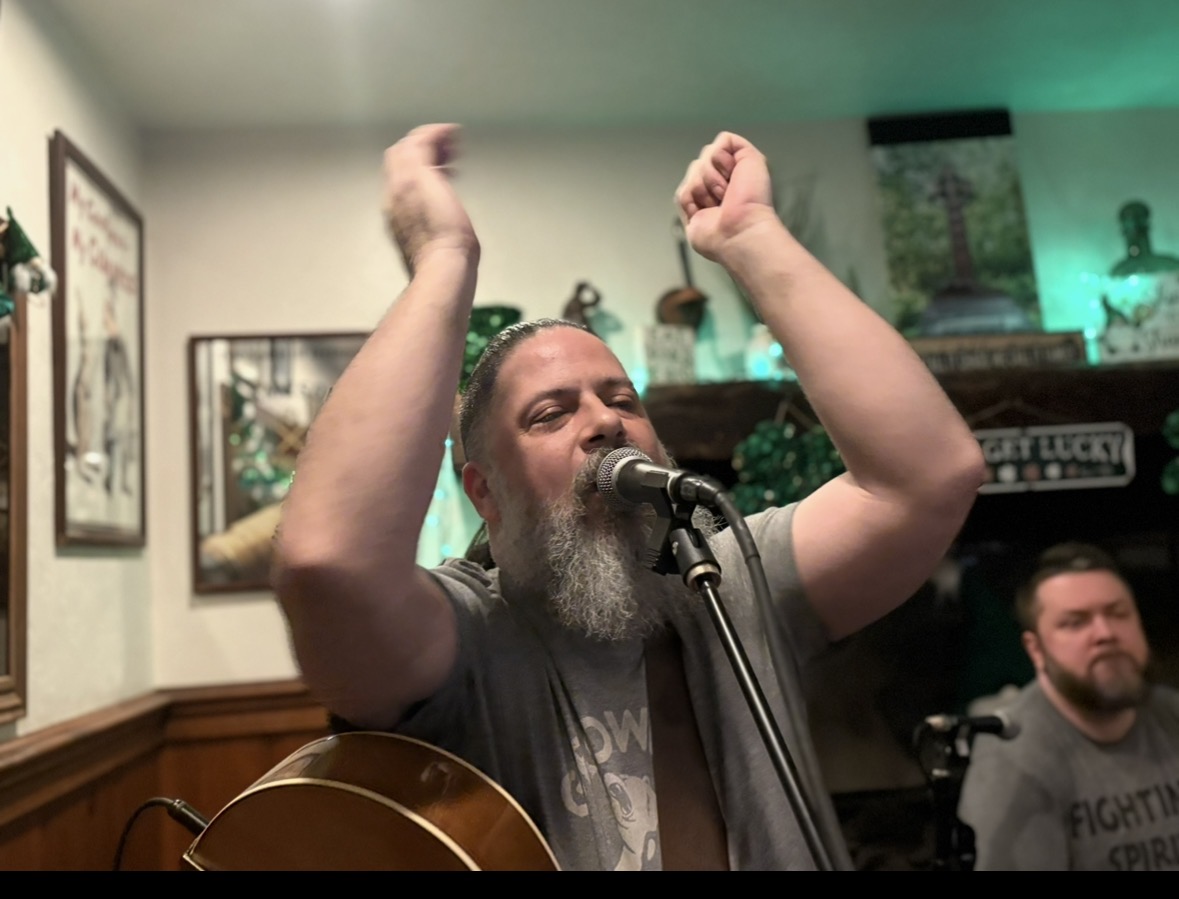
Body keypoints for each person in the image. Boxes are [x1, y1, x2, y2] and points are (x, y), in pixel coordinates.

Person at [272, 124, 986, 871]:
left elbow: (929, 475)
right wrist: (444, 260)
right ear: (482, 490)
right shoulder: (467, 636)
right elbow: (329, 562)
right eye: (550, 414)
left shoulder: (732, 576)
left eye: (621, 398)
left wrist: (749, 235)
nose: (605, 419)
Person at [957, 543, 1179, 871]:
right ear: (1035, 650)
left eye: (1118, 613)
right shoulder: (1014, 757)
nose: (1105, 634)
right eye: (1076, 622)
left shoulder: (1171, 714)